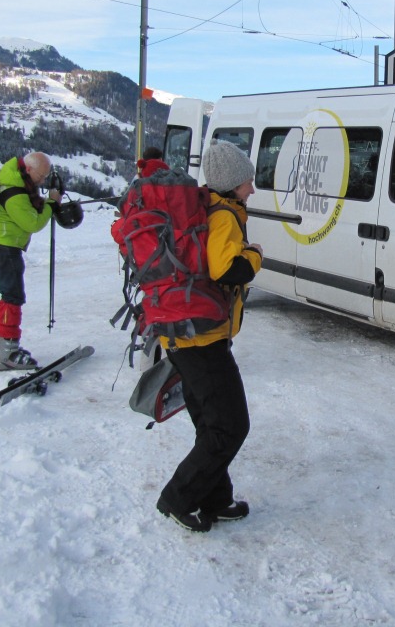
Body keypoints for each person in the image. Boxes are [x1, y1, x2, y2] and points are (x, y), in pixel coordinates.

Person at [156, 139, 263, 533]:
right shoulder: (224, 217)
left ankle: (217, 500)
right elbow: (226, 269)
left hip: (185, 334)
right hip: (202, 341)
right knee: (231, 426)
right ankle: (177, 497)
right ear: (233, 183)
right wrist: (255, 255)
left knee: (211, 423)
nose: (252, 189)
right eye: (247, 182)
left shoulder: (210, 208)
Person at [0, 152, 61, 370]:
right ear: (29, 169)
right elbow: (33, 223)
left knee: (9, 295)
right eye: (41, 175)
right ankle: (8, 349)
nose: (42, 180)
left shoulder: (15, 181)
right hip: (4, 245)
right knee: (13, 296)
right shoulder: (15, 192)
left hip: (3, 243)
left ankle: (0, 345)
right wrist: (52, 205)